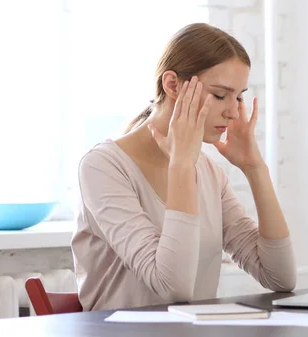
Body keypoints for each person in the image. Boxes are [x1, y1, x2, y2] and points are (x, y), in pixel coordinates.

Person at [70, 23, 296, 311]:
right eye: (219, 94)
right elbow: (171, 288)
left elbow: (280, 277)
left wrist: (255, 169)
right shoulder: (102, 167)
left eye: (238, 96)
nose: (233, 110)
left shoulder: (208, 172)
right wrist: (181, 167)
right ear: (173, 85)